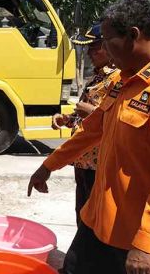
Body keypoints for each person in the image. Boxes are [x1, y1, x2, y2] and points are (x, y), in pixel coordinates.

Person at [28, 0, 150, 274]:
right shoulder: (123, 80)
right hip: (102, 224)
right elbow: (94, 129)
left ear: (133, 34)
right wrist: (49, 165)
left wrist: (146, 244)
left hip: (149, 237)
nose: (102, 50)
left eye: (108, 40)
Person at [51, 23, 119, 226]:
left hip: (98, 163)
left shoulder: (117, 79)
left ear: (107, 46)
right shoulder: (98, 76)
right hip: (83, 159)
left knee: (95, 218)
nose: (89, 52)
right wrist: (67, 119)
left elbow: (115, 119)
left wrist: (90, 112)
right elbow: (86, 113)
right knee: (81, 212)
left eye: (93, 47)